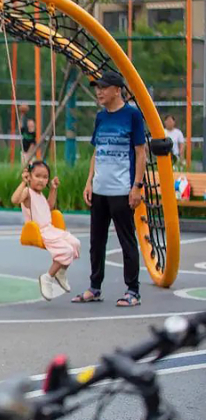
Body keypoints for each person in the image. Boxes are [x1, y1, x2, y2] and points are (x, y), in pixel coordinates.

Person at [74, 71, 146, 307]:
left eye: (104, 87)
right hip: (99, 190)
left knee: (127, 241)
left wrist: (137, 186)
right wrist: (89, 181)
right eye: (98, 88)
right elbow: (97, 151)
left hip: (122, 190)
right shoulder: (101, 117)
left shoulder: (132, 115)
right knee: (96, 242)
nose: (99, 92)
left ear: (117, 90)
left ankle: (133, 291)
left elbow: (140, 153)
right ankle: (94, 287)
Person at [11, 161, 80, 300]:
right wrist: (23, 182)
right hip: (40, 232)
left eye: (45, 177)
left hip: (51, 229)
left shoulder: (40, 194)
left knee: (75, 243)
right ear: (29, 176)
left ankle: (61, 272)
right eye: (37, 176)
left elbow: (49, 206)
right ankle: (48, 277)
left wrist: (53, 189)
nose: (41, 180)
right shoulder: (28, 192)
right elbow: (15, 199)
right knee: (66, 251)